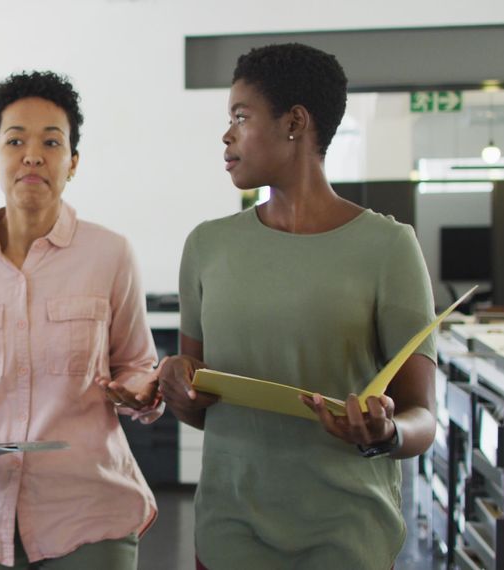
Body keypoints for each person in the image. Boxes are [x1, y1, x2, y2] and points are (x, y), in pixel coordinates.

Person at [157, 43, 438, 569]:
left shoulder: (389, 248)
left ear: (295, 123)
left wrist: (386, 432)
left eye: (241, 116)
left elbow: (423, 418)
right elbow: (201, 410)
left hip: (347, 536)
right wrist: (177, 384)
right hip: (229, 533)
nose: (226, 134)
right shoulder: (207, 246)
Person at [0, 70, 161, 570]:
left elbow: (138, 365)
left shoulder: (110, 253)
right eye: (15, 140)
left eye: (52, 142)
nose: (33, 155)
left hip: (88, 514)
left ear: (74, 162)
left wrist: (140, 390)